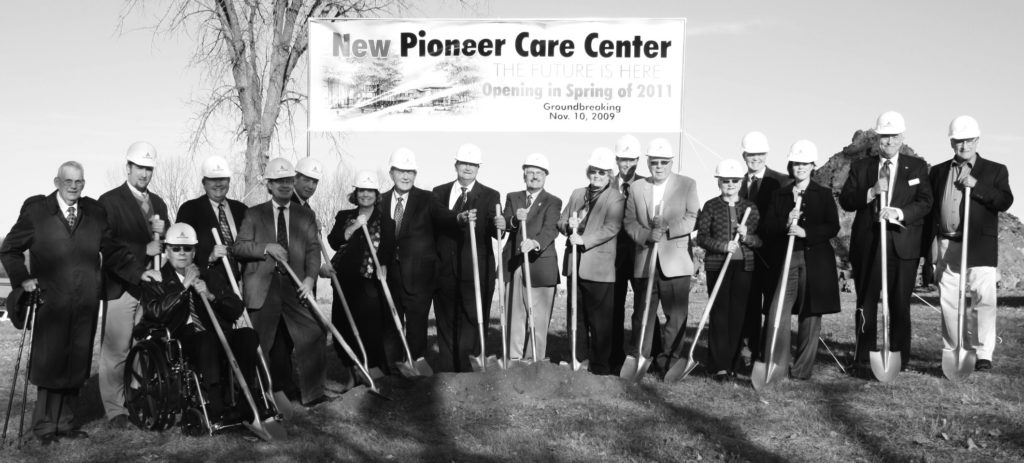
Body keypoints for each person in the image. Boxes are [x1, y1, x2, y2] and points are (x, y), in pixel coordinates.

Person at [1, 161, 146, 444]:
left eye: (79, 181)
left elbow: (114, 253)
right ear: (57, 182)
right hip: (50, 302)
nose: (73, 186)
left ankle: (65, 424)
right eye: (68, 181)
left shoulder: (93, 214)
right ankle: (44, 428)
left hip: (85, 302)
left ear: (84, 184)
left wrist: (140, 274)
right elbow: (10, 249)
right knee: (50, 363)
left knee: (76, 362)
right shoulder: (38, 213)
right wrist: (22, 279)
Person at [137, 223, 261, 422]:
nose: (182, 253)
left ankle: (248, 403)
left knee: (247, 336)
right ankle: (215, 404)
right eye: (176, 249)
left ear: (194, 252)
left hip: (216, 332)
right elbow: (156, 313)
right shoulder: (156, 278)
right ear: (167, 251)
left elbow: (237, 308)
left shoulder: (209, 275)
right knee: (206, 340)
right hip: (179, 339)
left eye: (187, 248)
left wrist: (212, 296)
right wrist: (183, 287)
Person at [839, 111, 933, 373]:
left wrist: (899, 213)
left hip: (902, 246)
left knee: (900, 303)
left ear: (902, 137)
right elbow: (846, 200)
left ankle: (899, 357)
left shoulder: (916, 167)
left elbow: (925, 202)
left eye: (894, 136)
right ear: (877, 138)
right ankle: (862, 356)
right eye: (884, 137)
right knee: (866, 302)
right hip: (868, 245)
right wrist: (870, 192)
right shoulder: (862, 167)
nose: (889, 142)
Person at [233, 157, 328, 406]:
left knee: (314, 331)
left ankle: (313, 393)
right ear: (269, 186)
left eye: (287, 180)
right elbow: (239, 247)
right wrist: (266, 248)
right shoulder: (254, 214)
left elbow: (312, 251)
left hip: (295, 285)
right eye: (278, 181)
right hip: (264, 287)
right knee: (261, 342)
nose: (284, 185)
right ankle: (257, 396)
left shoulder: (305, 215)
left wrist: (309, 279)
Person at [925, 115, 1013, 371]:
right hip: (947, 243)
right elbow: (932, 209)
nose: (964, 146)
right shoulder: (939, 171)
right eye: (958, 141)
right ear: (952, 142)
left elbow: (1004, 201)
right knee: (949, 301)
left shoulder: (996, 170)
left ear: (977, 140)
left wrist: (978, 186)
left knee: (983, 300)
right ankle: (955, 348)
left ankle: (984, 353)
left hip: (979, 245)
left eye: (968, 140)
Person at [97, 141, 169, 429]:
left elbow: (163, 246)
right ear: (127, 167)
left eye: (148, 169)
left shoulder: (160, 203)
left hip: (149, 288)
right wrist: (144, 252)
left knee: (144, 344)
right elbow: (108, 246)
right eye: (139, 167)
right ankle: (115, 409)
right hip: (121, 286)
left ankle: (137, 396)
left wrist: (163, 245)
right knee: (116, 349)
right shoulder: (109, 201)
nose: (144, 174)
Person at [762, 141, 841, 380]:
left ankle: (802, 369)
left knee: (810, 312)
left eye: (805, 163)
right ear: (791, 165)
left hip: (815, 260)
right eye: (796, 163)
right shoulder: (780, 194)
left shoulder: (823, 194)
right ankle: (777, 362)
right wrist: (785, 223)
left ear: (813, 165)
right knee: (778, 310)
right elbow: (767, 226)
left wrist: (807, 233)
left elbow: (832, 226)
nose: (800, 167)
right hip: (786, 258)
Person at [623, 137, 700, 374]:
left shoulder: (687, 184)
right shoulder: (637, 188)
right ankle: (641, 357)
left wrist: (668, 229)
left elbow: (692, 217)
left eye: (664, 162)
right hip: (645, 259)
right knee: (642, 313)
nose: (659, 166)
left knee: (675, 316)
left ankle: (668, 359)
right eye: (654, 162)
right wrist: (648, 235)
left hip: (675, 262)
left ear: (671, 162)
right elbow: (629, 221)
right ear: (647, 162)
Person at [380, 148, 460, 364]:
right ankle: (393, 371)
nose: (406, 176)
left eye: (410, 172)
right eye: (401, 171)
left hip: (419, 278)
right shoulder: (381, 200)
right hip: (389, 277)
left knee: (416, 328)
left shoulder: (427, 199)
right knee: (391, 327)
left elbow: (444, 216)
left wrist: (459, 217)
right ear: (391, 173)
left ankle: (416, 369)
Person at [326, 171, 402, 381]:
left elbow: (387, 248)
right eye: (361, 190)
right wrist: (354, 226)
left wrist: (384, 265)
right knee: (343, 327)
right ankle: (352, 374)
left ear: (376, 194)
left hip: (370, 284)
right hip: (345, 281)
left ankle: (373, 371)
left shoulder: (387, 221)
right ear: (356, 192)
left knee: (369, 330)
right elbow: (334, 241)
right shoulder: (344, 216)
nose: (365, 194)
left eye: (370, 190)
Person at [432, 143, 501, 372]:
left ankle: (466, 371)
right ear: (456, 165)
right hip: (444, 270)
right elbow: (434, 223)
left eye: (473, 164)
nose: (468, 168)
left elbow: (493, 229)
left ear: (478, 168)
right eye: (464, 163)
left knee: (472, 323)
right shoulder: (438, 193)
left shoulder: (490, 196)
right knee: (445, 323)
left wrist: (499, 224)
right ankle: (447, 372)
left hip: (475, 272)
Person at [557, 147, 624, 374]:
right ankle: (578, 358)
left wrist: (583, 240)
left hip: (599, 266)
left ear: (609, 176)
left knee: (600, 320)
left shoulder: (615, 197)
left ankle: (600, 365)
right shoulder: (578, 193)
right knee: (576, 316)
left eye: (602, 173)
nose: (596, 177)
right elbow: (562, 219)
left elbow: (612, 227)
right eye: (593, 172)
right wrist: (568, 226)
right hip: (574, 264)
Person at [694, 159, 762, 380]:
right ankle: (718, 365)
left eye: (734, 180)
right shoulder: (711, 206)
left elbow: (760, 241)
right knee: (720, 315)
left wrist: (747, 236)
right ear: (719, 182)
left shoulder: (750, 207)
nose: (730, 184)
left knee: (739, 316)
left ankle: (734, 363)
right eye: (726, 180)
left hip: (745, 268)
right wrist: (723, 246)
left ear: (741, 181)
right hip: (718, 266)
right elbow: (702, 238)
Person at [496, 153, 562, 362]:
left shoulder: (553, 201)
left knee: (539, 319)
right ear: (524, 174)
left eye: (539, 173)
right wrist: (515, 219)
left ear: (546, 176)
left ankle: (534, 360)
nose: (534, 176)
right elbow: (506, 223)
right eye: (531, 172)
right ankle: (514, 359)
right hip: (515, 263)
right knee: (515, 315)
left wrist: (534, 243)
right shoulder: (513, 197)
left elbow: (551, 229)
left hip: (540, 265)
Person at [736, 131, 789, 368]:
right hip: (744, 254)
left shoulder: (781, 181)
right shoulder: (735, 181)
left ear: (766, 154)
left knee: (771, 305)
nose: (754, 158)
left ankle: (769, 353)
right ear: (744, 155)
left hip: (771, 253)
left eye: (759, 154)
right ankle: (748, 350)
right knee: (748, 305)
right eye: (750, 154)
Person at [610, 134, 651, 369]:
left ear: (638, 160)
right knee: (614, 306)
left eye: (631, 160)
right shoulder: (607, 183)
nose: (627, 165)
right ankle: (614, 353)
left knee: (644, 305)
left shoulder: (646, 184)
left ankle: (646, 351)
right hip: (614, 255)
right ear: (616, 160)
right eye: (623, 160)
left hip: (639, 252)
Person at [175, 155, 248, 276]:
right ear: (204, 183)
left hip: (243, 283)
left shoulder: (242, 210)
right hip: (209, 284)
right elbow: (180, 252)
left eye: (222, 179)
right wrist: (209, 258)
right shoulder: (190, 210)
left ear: (229, 181)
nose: (218, 184)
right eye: (213, 179)